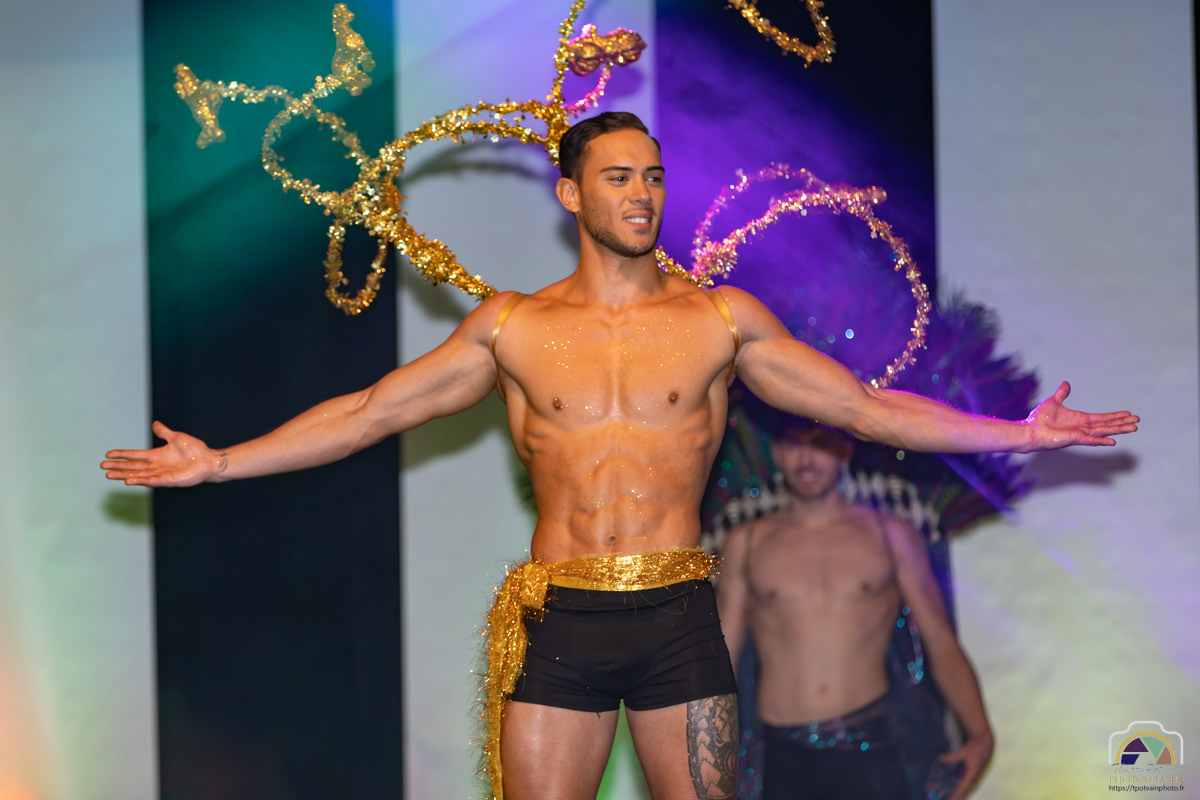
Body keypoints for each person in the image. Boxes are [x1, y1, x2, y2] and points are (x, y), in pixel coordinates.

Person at [101, 111, 1137, 800]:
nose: (642, 193)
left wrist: (1021, 434)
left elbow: (865, 409)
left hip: (678, 615)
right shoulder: (512, 328)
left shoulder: (720, 320)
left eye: (653, 177)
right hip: (560, 619)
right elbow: (371, 412)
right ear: (571, 195)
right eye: (618, 177)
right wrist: (221, 461)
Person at [717, 416, 992, 799]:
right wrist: (695, 756)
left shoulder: (890, 534)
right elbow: (720, 662)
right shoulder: (746, 541)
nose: (805, 458)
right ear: (776, 454)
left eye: (819, 442)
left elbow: (940, 643)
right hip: (780, 756)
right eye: (793, 444)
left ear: (845, 449)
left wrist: (980, 734)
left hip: (875, 748)